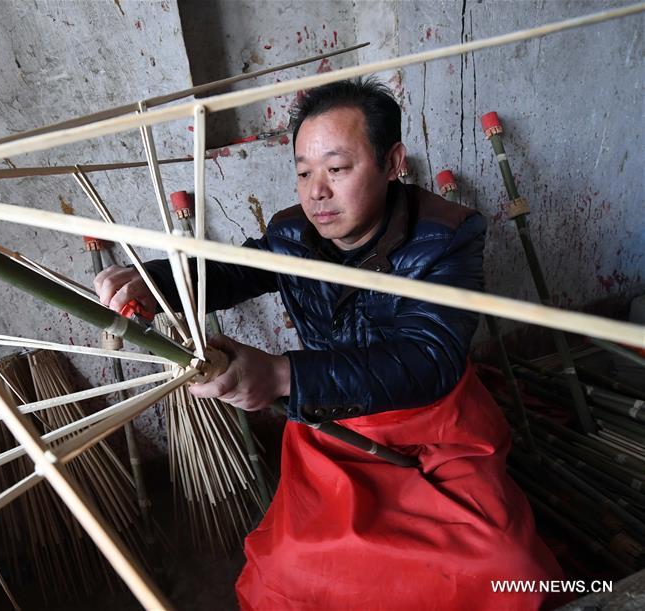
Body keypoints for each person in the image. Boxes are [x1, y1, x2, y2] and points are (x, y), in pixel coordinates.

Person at [95, 78, 566, 610]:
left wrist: (279, 377)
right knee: (289, 568)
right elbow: (230, 271)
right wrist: (155, 280)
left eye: (337, 170)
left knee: (507, 568)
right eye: (303, 172)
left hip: (436, 428)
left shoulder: (448, 235)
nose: (316, 191)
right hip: (331, 430)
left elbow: (428, 359)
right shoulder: (292, 235)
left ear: (392, 162)